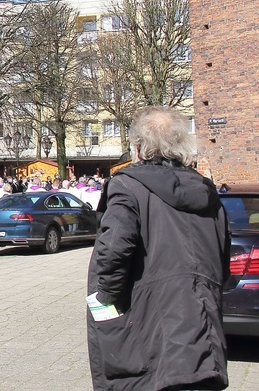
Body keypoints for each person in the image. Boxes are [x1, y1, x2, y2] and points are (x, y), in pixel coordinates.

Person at [87, 106, 230, 390]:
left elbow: (113, 252)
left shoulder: (127, 186)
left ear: (138, 148)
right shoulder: (207, 191)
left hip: (148, 327)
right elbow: (223, 258)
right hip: (202, 324)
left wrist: (107, 300)